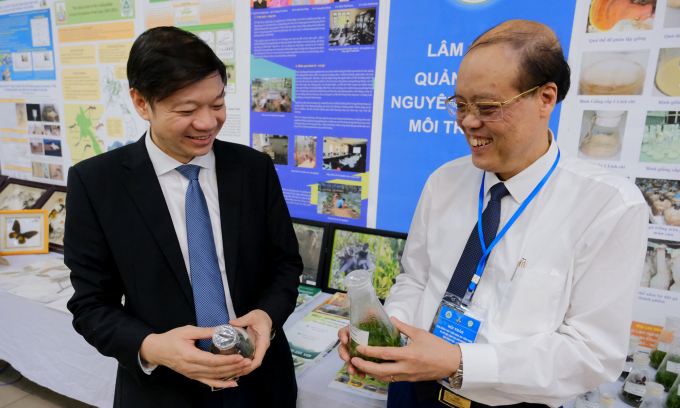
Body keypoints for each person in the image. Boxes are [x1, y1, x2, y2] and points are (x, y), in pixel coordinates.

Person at [337, 20, 647, 408]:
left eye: (487, 107)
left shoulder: (608, 206)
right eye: (461, 105)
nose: (468, 121)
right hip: (411, 391)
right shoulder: (444, 181)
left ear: (546, 98)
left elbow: (591, 353)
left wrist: (460, 361)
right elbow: (415, 278)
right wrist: (389, 332)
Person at [66, 27, 302, 408]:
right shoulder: (97, 184)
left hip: (260, 380)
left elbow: (286, 264)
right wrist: (152, 347)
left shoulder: (253, 169)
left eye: (218, 104)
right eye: (187, 110)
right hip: (162, 389)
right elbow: (91, 303)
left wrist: (267, 316)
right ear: (141, 104)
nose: (208, 122)